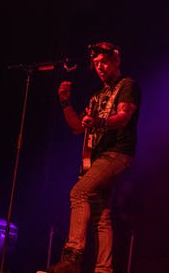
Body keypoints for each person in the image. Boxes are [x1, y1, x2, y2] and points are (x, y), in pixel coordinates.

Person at [47, 41, 140, 273]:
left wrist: (98, 122)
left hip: (117, 153)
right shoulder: (97, 95)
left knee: (78, 192)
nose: (99, 67)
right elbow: (77, 127)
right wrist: (65, 102)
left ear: (115, 60)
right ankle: (103, 269)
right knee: (101, 215)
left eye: (104, 62)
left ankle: (72, 257)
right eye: (96, 64)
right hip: (99, 159)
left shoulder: (126, 85)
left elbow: (123, 118)